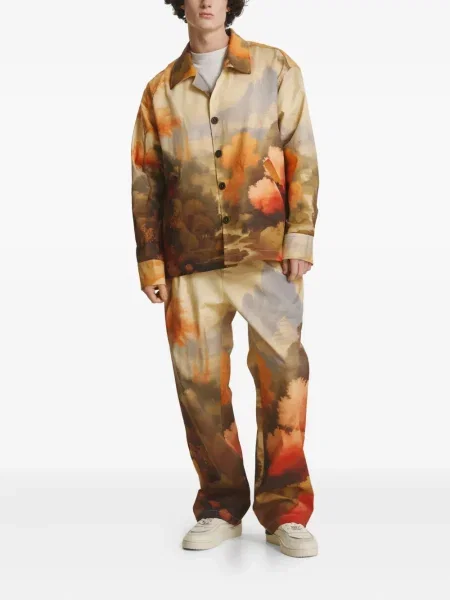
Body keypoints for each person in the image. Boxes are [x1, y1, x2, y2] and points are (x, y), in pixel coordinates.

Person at [130, 0, 320, 558]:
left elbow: (301, 153)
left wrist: (300, 236)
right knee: (199, 388)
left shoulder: (275, 68)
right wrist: (150, 260)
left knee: (285, 382)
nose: (207, 1)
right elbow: (145, 180)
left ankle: (286, 511)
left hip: (266, 254)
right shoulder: (160, 91)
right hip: (187, 261)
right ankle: (220, 505)